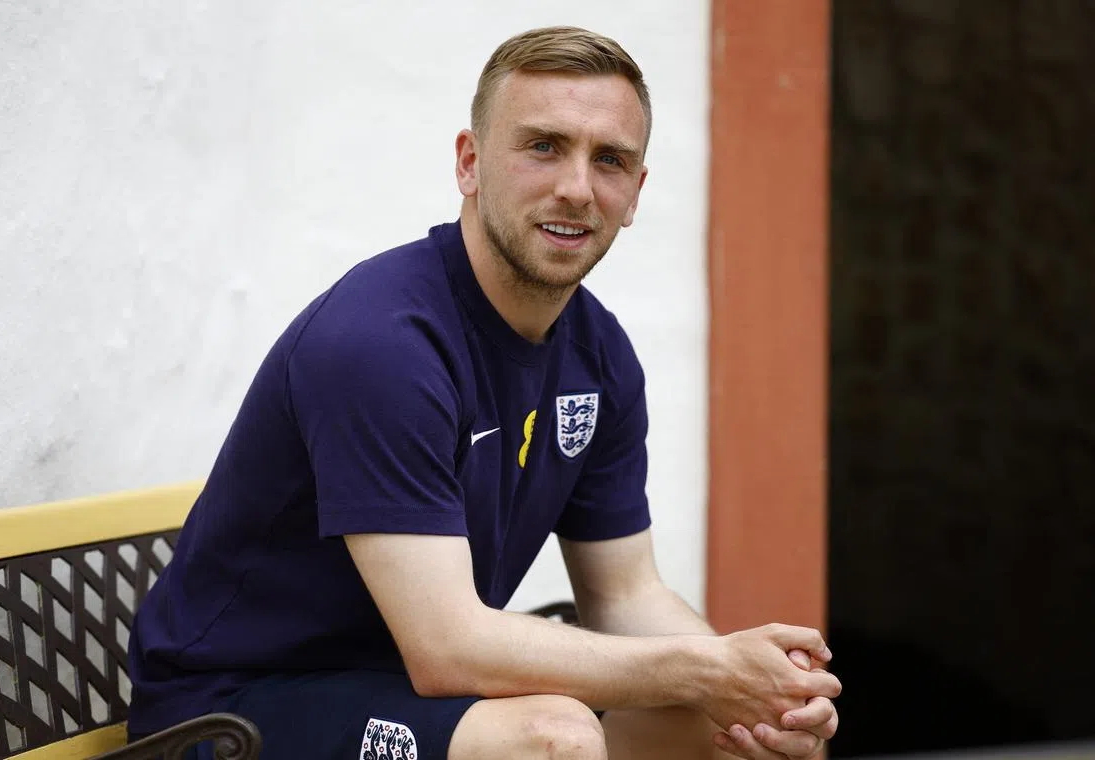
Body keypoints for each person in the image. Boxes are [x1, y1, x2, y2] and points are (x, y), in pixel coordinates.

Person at [127, 25, 841, 760]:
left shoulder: (600, 356)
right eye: (543, 146)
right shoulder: (383, 342)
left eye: (610, 160)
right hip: (234, 710)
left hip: (400, 688)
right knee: (552, 741)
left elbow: (625, 595)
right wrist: (706, 668)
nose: (576, 186)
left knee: (741, 735)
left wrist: (762, 694)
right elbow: (448, 648)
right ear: (469, 163)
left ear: (635, 194)